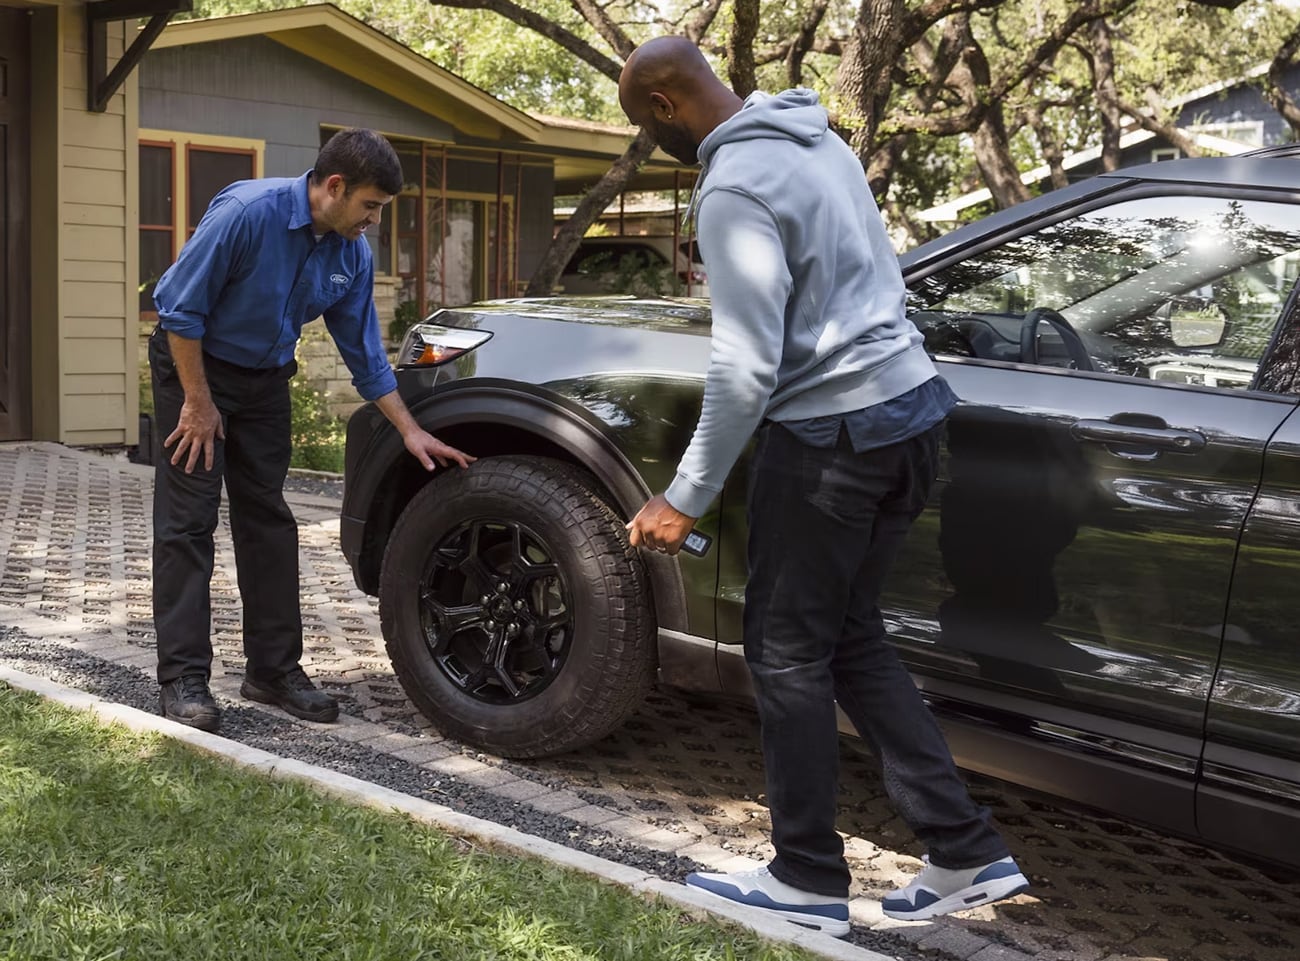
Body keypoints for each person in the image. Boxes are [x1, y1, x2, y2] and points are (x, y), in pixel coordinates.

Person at [619, 38, 1027, 935]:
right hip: (911, 414)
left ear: (661, 104)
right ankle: (964, 849)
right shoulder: (818, 139)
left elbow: (745, 365)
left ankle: (805, 876)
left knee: (787, 652)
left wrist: (684, 494)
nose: (661, 148)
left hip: (833, 442)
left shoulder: (729, 186)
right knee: (850, 638)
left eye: (649, 133)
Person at [150, 128, 474, 734]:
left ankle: (272, 670)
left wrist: (408, 430)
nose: (374, 221)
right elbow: (179, 311)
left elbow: (364, 354)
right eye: (371, 206)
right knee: (188, 523)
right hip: (193, 367)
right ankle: (183, 678)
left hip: (265, 378)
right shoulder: (248, 214)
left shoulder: (350, 251)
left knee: (268, 519)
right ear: (334, 187)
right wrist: (198, 403)